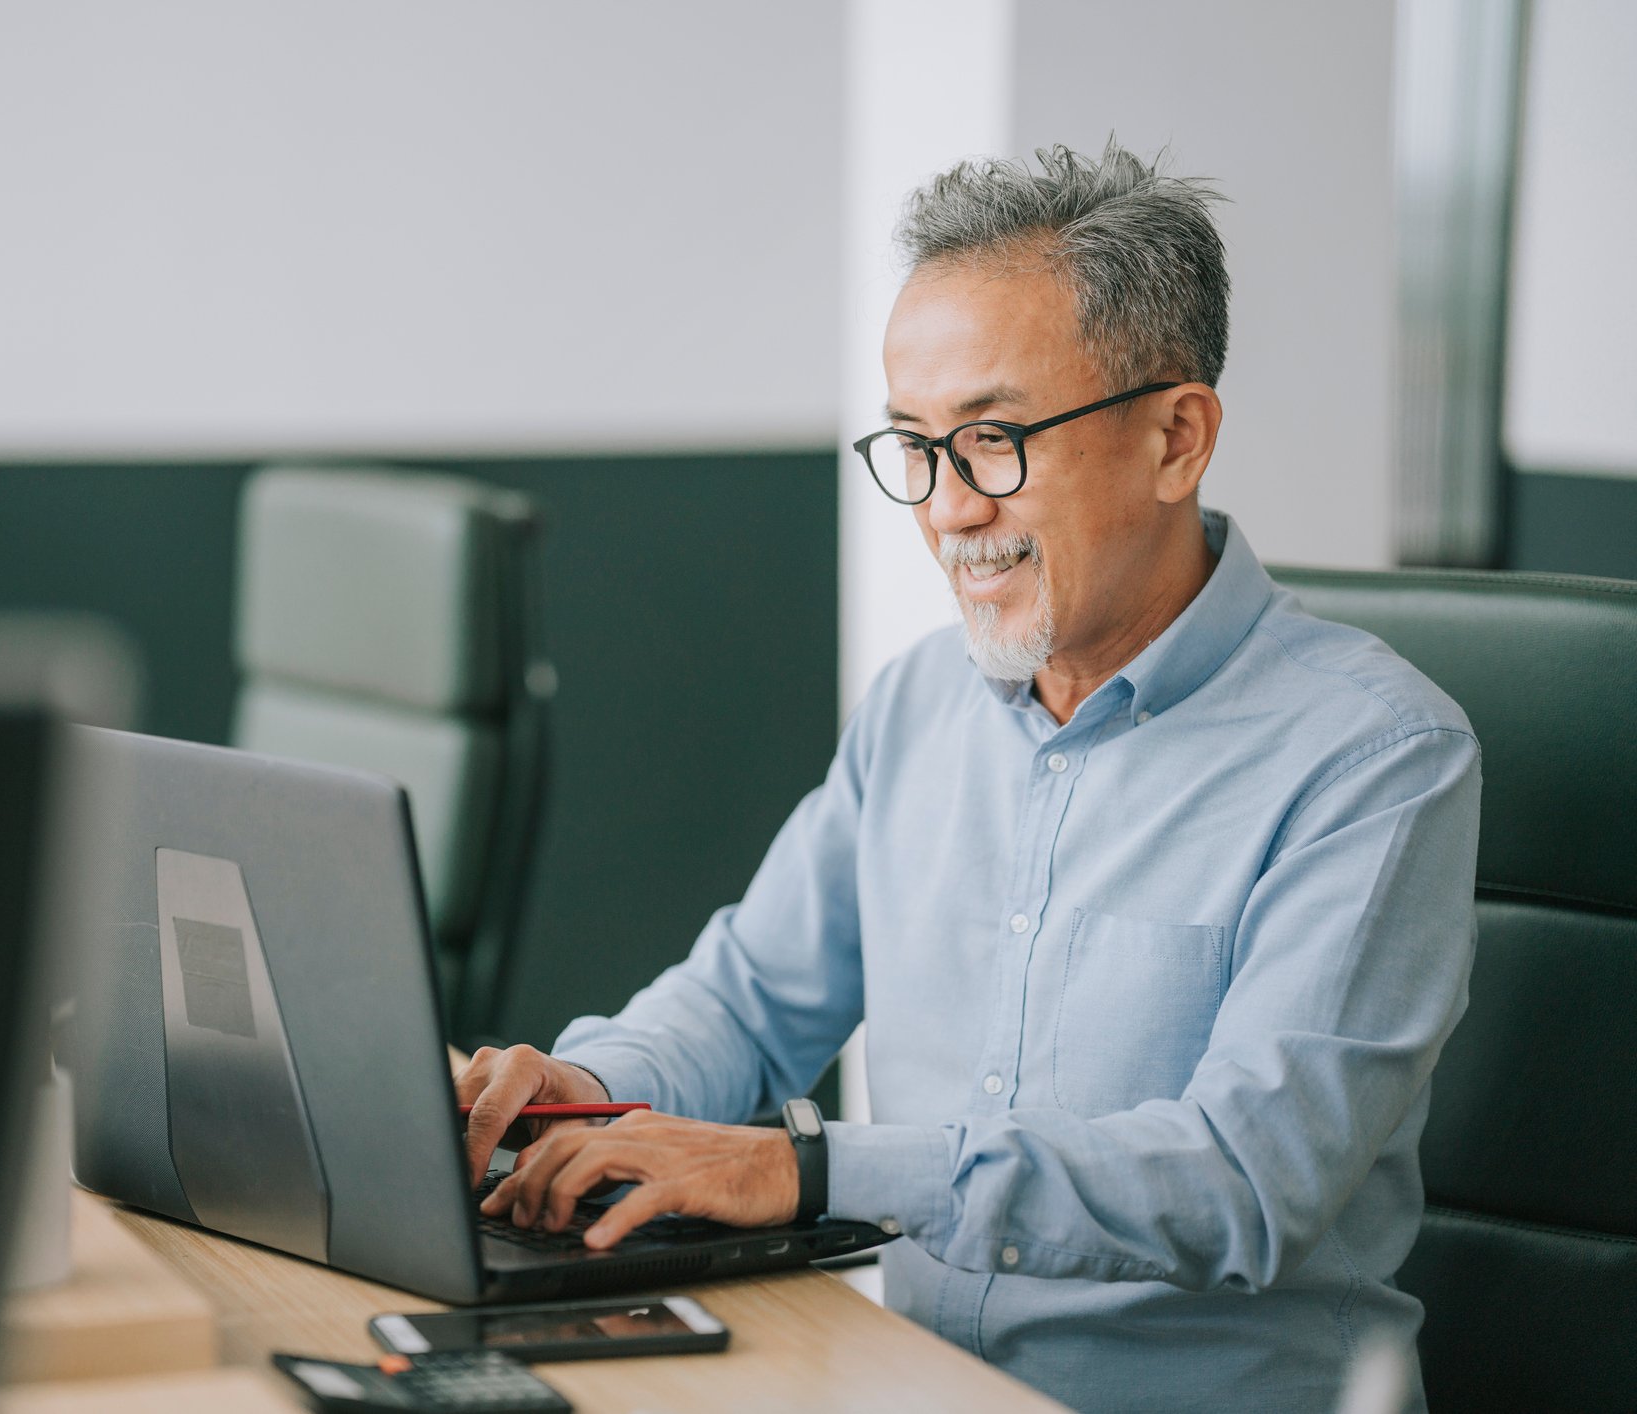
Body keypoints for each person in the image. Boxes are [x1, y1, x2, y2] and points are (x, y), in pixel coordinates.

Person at [456, 140, 1480, 1414]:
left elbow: (1241, 1178)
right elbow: (746, 1001)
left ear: (1176, 437)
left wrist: (809, 1170)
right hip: (906, 1386)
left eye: (992, 440)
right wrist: (584, 1094)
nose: (945, 508)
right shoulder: (919, 704)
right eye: (912, 446)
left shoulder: (1374, 756)